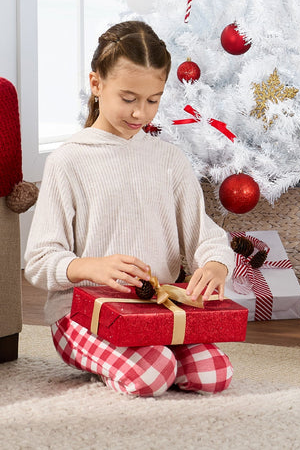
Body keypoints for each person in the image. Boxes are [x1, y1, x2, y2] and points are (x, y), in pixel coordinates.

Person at [24, 20, 237, 397]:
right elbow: (40, 260)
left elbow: (205, 237)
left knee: (215, 375)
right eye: (128, 98)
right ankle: (135, 358)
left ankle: (147, 352)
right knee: (153, 374)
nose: (140, 113)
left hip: (155, 311)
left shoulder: (169, 160)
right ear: (96, 84)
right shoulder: (69, 160)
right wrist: (91, 266)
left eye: (152, 100)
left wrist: (215, 263)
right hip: (81, 313)